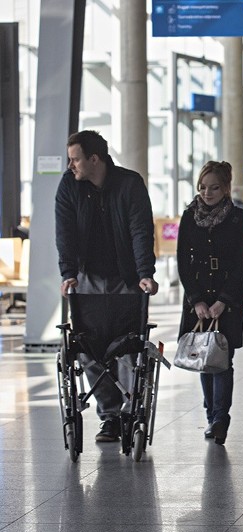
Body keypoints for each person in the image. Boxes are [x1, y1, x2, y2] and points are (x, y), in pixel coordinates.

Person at [55, 130, 159, 443]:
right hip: (86, 278)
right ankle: (110, 414)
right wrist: (68, 272)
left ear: (95, 159)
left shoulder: (129, 184)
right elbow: (65, 233)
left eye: (76, 159)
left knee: (127, 346)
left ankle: (129, 411)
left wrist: (145, 272)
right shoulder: (69, 186)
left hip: (125, 277)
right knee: (87, 348)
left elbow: (141, 229)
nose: (71, 165)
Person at [177, 161, 243, 445]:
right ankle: (211, 415)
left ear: (226, 188)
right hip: (197, 298)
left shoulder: (236, 218)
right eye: (203, 187)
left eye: (214, 187)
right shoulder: (188, 216)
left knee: (221, 359)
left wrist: (224, 300)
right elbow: (183, 260)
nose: (208, 193)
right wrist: (196, 300)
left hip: (226, 298)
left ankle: (221, 418)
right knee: (202, 357)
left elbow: (241, 263)